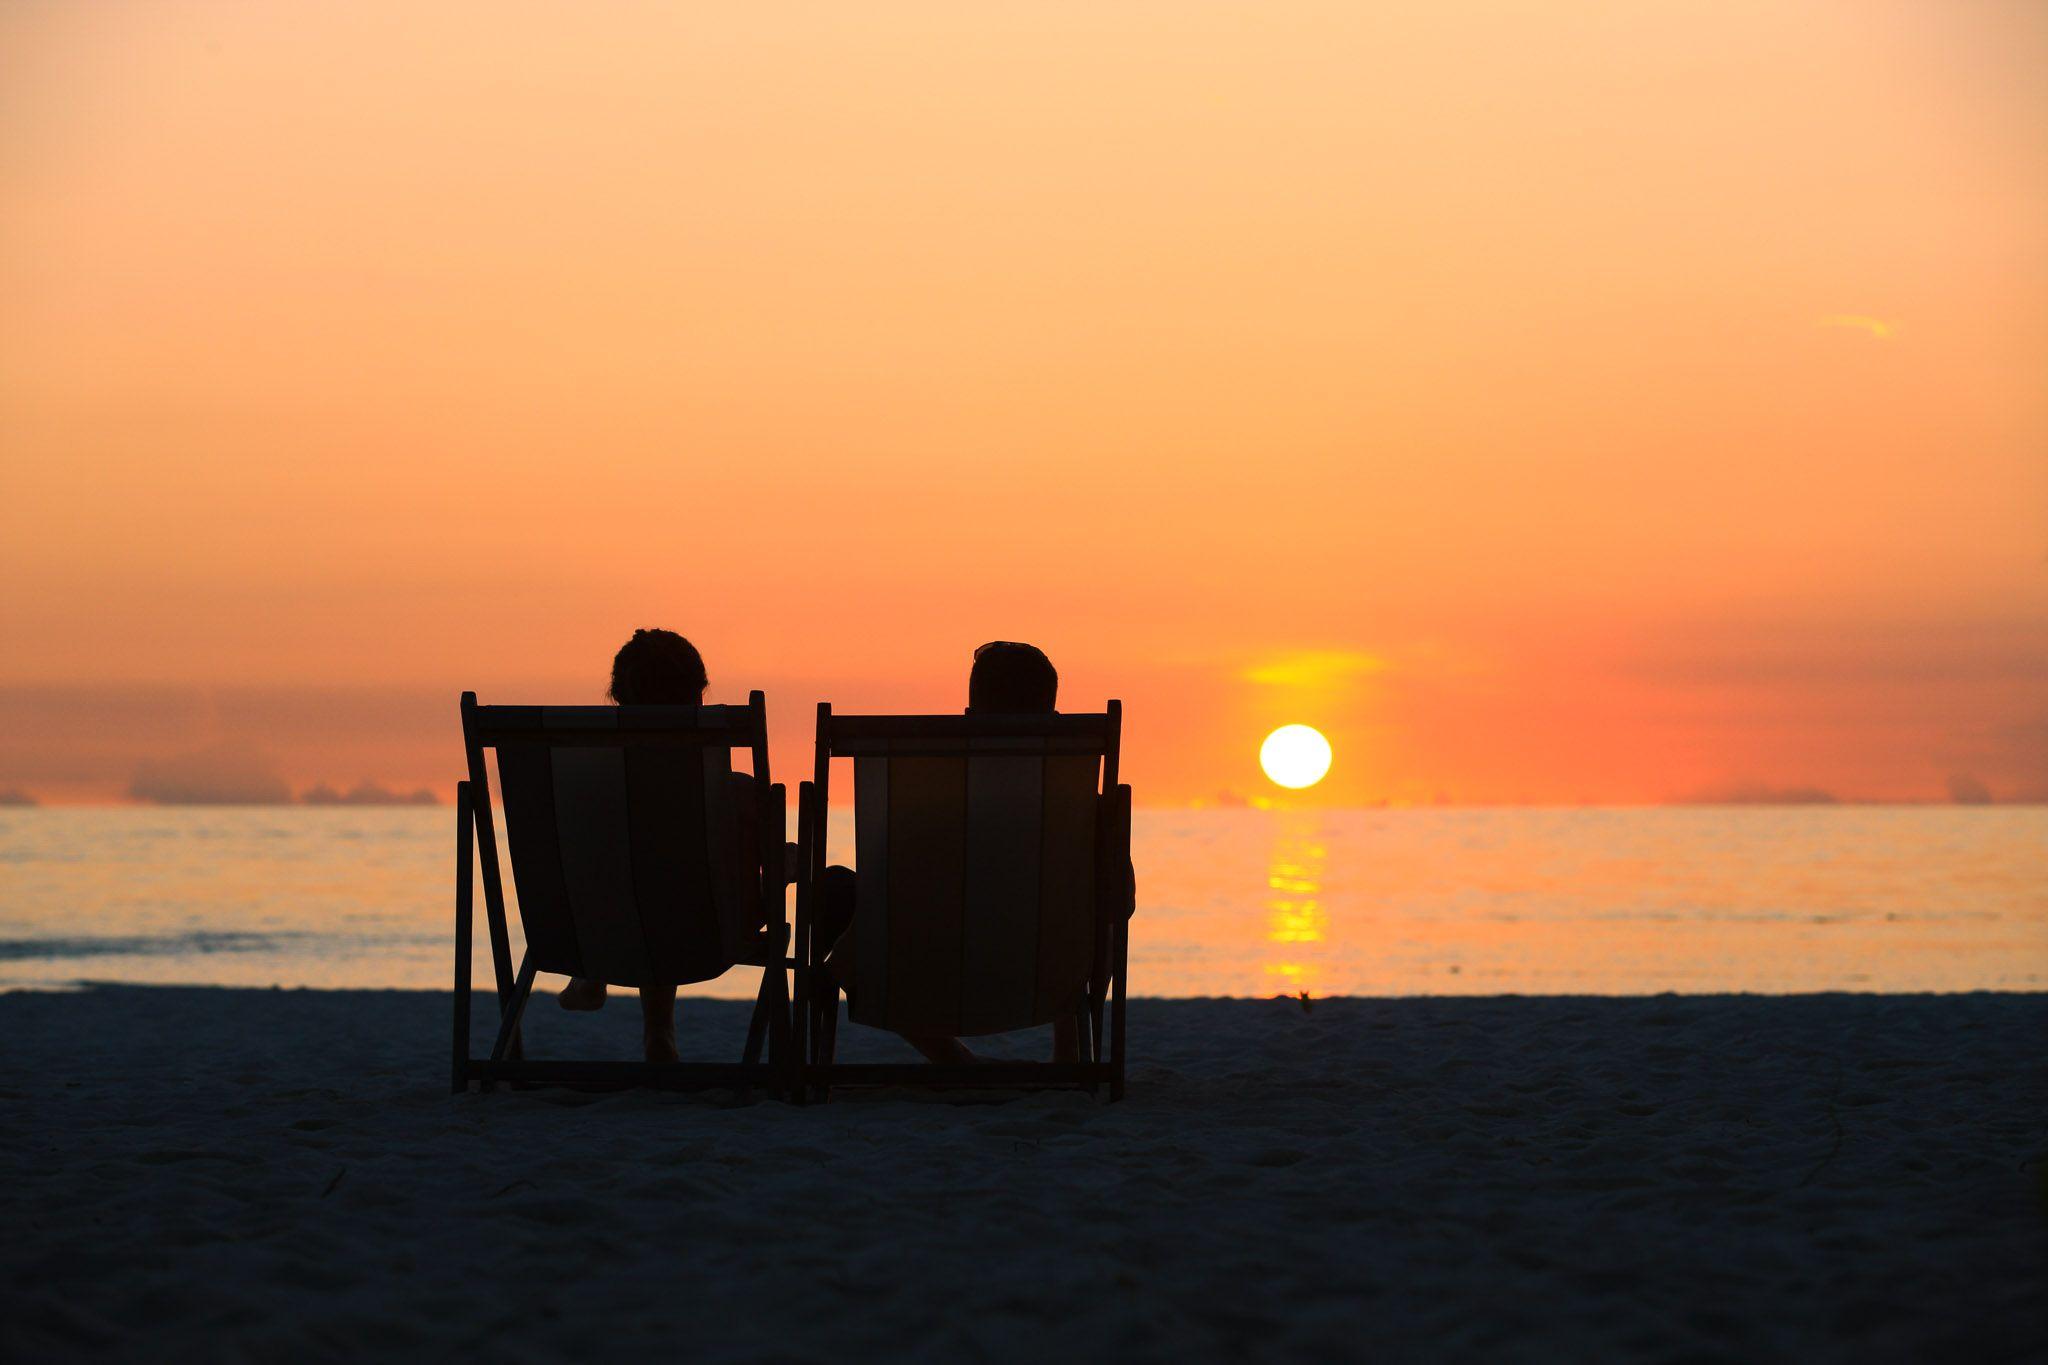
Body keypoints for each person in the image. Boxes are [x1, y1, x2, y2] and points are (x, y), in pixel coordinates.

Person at [814, 640, 1113, 1065]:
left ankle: (949, 1056)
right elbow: (1119, 902)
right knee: (1099, 894)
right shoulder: (1083, 812)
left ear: (970, 715)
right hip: (1043, 974)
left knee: (839, 889)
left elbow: (884, 891)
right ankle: (1071, 1053)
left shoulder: (927, 805)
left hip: (936, 971)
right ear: (1054, 717)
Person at [556, 628, 765, 1063]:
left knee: (638, 871)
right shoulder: (729, 795)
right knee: (668, 880)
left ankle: (590, 967)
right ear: (698, 697)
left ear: (618, 699)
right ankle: (659, 1032)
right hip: (705, 934)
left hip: (593, 931)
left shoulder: (581, 790)